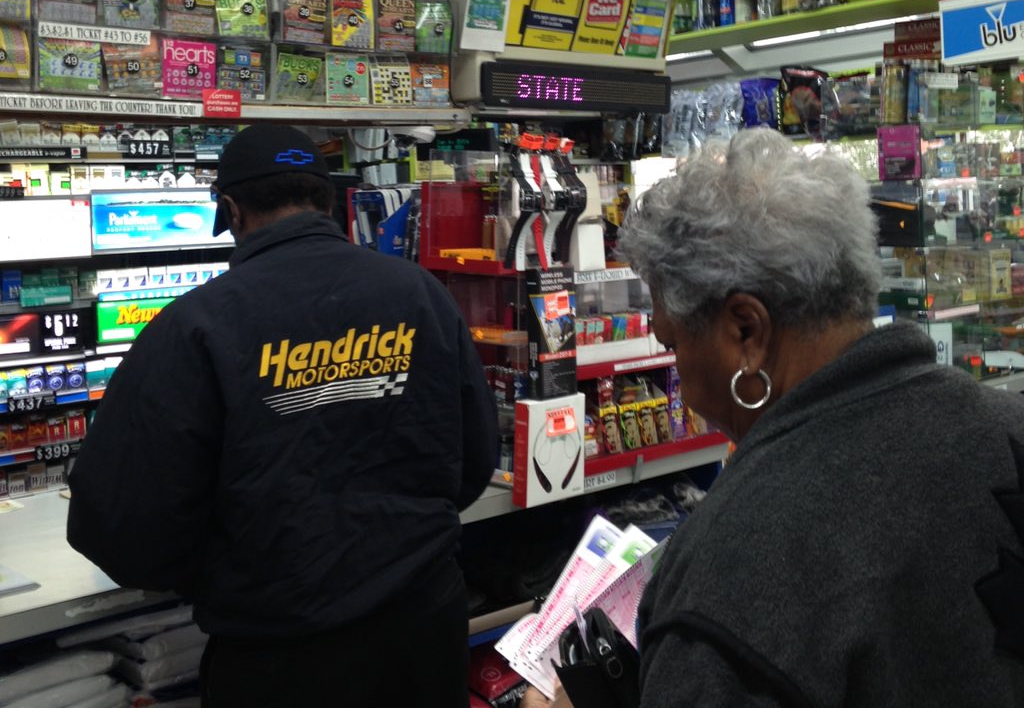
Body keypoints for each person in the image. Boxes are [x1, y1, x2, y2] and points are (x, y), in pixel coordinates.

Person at [523, 128, 1024, 707]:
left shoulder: (734, 572)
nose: (679, 375)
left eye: (675, 342)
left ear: (746, 332)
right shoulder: (1007, 428)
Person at [67, 123, 498, 708]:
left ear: (230, 211)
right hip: (424, 637)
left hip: (282, 657)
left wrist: (213, 570)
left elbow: (120, 528)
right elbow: (473, 462)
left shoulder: (196, 326)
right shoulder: (420, 293)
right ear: (328, 202)